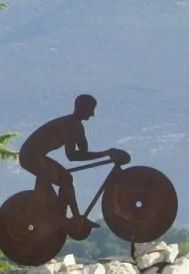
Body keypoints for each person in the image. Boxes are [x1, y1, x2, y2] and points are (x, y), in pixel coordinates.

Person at [17, 95, 129, 225]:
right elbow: (73, 156)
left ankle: (74, 218)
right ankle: (61, 218)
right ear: (81, 107)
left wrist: (107, 153)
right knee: (59, 181)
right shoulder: (71, 125)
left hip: (37, 155)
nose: (92, 114)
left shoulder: (76, 127)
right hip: (30, 156)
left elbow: (81, 153)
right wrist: (107, 153)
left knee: (67, 179)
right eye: (90, 109)